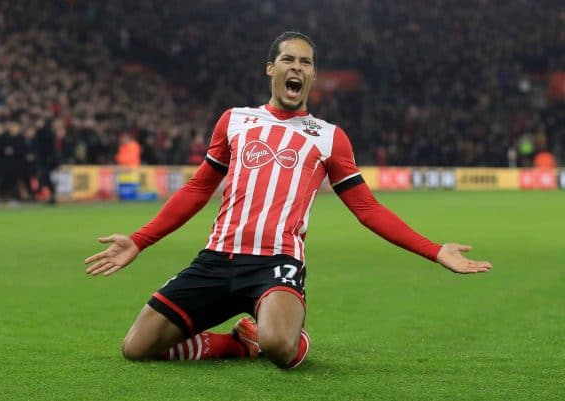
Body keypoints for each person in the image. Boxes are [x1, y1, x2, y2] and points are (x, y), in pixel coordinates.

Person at [84, 32, 493, 369]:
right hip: (217, 258)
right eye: (288, 59)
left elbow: (367, 209)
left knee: (279, 345)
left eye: (306, 62)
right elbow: (197, 189)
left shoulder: (329, 136)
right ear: (271, 69)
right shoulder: (236, 120)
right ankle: (238, 344)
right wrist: (140, 240)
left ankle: (277, 335)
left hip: (276, 264)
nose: (297, 67)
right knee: (136, 348)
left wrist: (436, 251)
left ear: (313, 77)